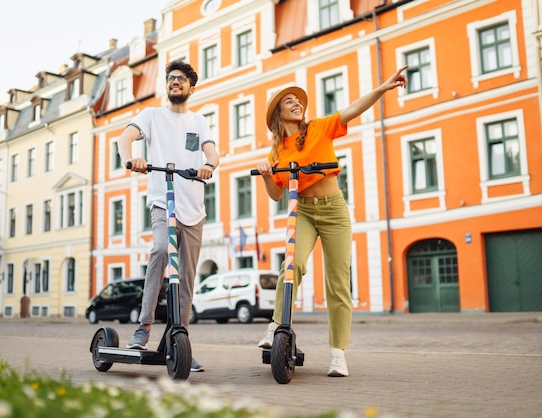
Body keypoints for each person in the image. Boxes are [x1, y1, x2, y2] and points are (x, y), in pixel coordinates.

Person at [255, 66, 408, 377]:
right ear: (277, 114)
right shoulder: (276, 153)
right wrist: (267, 174)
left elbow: (353, 109)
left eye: (298, 101)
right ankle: (276, 326)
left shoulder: (319, 128)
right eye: (289, 101)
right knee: (291, 265)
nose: (297, 103)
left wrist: (383, 87)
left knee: (338, 282)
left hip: (334, 209)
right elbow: (274, 195)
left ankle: (338, 354)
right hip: (303, 211)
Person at [116, 61, 220, 373]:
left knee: (186, 277)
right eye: (171, 78)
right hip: (163, 201)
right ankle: (144, 326)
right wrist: (131, 158)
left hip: (193, 209)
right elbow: (125, 138)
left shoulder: (199, 121)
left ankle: (180, 339)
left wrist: (209, 165)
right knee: (160, 251)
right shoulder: (151, 115)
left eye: (181, 79)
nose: (175, 82)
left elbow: (212, 151)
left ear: (191, 87)